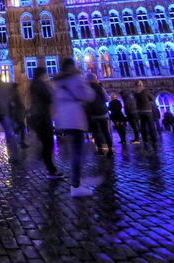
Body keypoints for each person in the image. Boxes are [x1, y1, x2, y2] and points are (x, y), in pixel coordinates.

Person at [52, 58, 96, 197]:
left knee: (74, 151)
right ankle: (76, 184)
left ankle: (77, 180)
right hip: (75, 117)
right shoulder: (76, 77)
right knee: (78, 152)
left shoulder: (57, 81)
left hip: (63, 118)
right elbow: (89, 95)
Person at [28, 67, 63, 178]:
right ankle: (50, 168)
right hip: (42, 115)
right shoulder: (40, 84)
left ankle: (47, 164)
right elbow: (48, 97)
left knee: (46, 142)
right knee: (48, 143)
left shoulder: (34, 84)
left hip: (38, 115)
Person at [86, 74, 113, 156]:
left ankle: (100, 149)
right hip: (103, 113)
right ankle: (110, 149)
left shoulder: (86, 89)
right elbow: (107, 99)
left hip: (93, 114)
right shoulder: (100, 88)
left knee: (96, 132)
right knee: (106, 132)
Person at [134, 80, 158, 148]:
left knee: (143, 126)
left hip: (140, 111)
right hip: (147, 110)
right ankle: (154, 141)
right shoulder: (145, 90)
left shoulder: (135, 92)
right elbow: (152, 98)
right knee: (151, 126)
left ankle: (145, 140)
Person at [10, 83, 28, 147]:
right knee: (22, 126)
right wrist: (24, 109)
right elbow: (20, 103)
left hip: (15, 113)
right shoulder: (16, 93)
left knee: (18, 126)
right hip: (18, 113)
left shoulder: (11, 94)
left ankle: (16, 138)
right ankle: (22, 141)